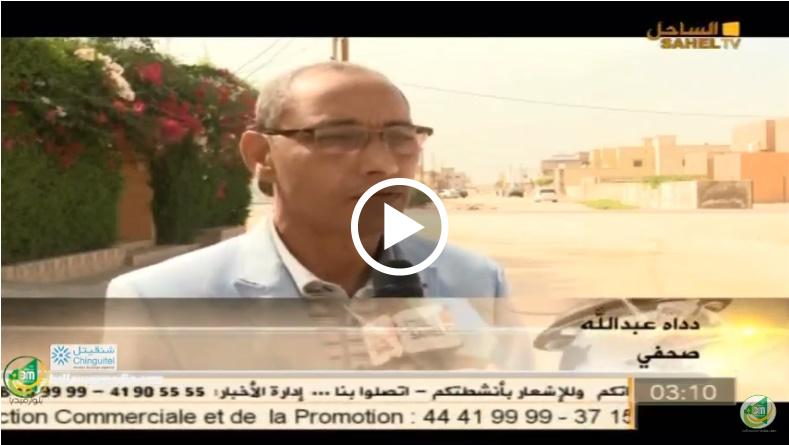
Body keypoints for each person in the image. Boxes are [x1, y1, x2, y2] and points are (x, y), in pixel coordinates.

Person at [106, 62, 508, 299]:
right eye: (339, 137)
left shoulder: (476, 283)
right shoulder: (158, 300)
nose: (383, 165)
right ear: (261, 155)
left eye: (401, 138)